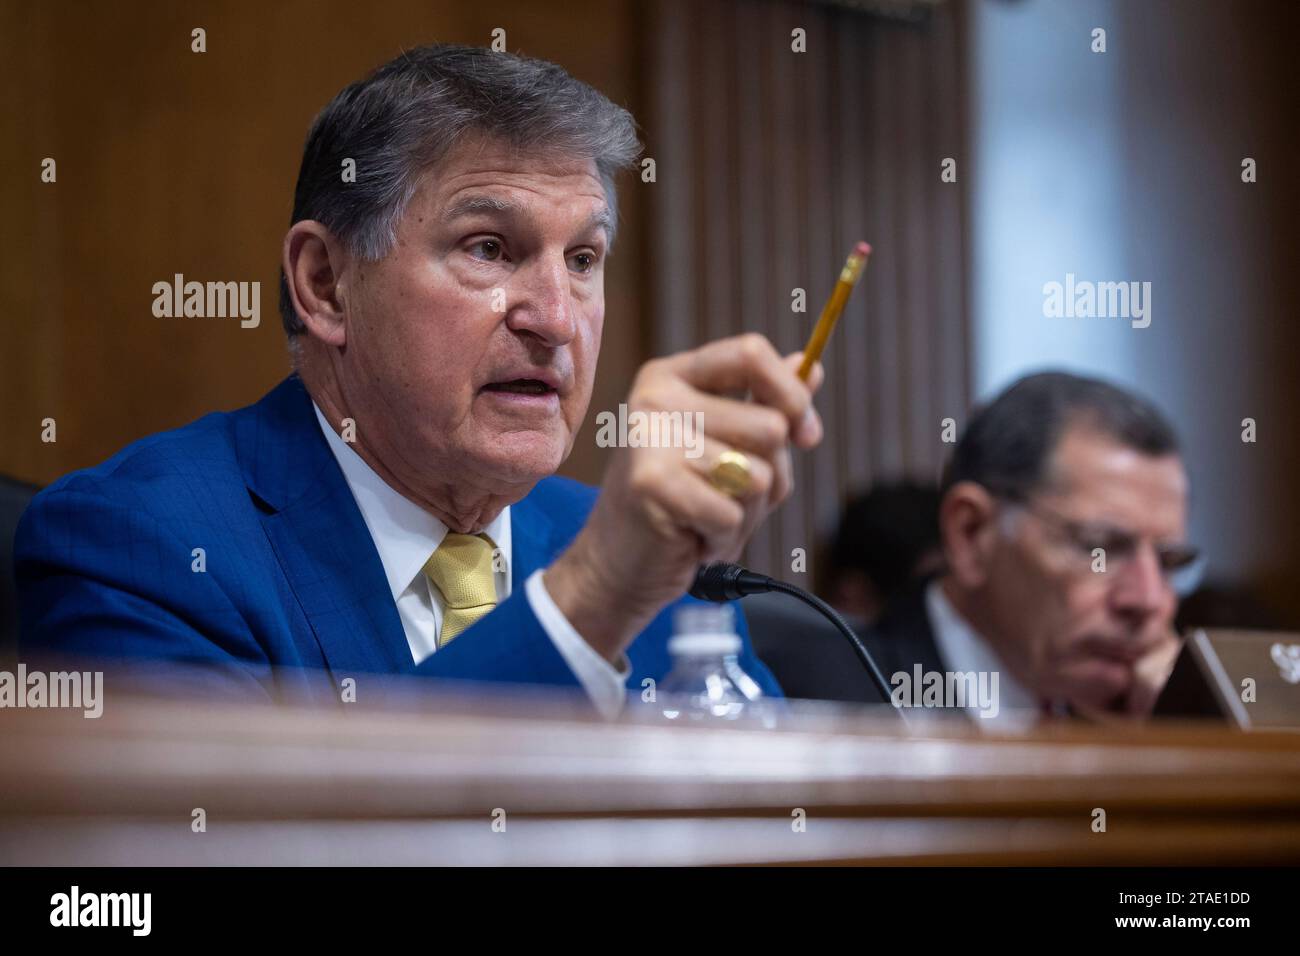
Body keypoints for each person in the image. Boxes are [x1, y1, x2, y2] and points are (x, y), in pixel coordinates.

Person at [14, 44, 825, 717]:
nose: (556, 317)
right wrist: (587, 603)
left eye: (583, 260)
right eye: (489, 249)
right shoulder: (139, 549)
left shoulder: (655, 564)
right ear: (326, 282)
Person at [793, 372, 1193, 724]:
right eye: (1098, 548)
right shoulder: (815, 703)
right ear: (971, 534)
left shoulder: (1149, 716)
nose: (1148, 599)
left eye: (1169, 562)